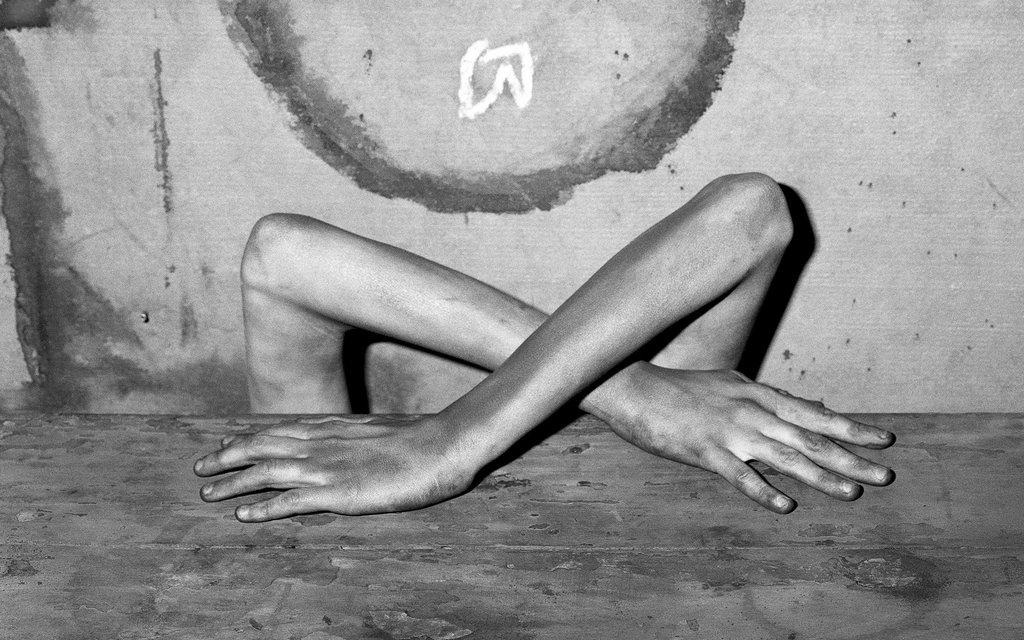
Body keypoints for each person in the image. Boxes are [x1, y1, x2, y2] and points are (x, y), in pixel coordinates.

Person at [193, 173, 896, 521]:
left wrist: (454, 441)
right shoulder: (689, 412)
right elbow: (752, 210)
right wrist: (635, 394)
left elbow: (281, 256)